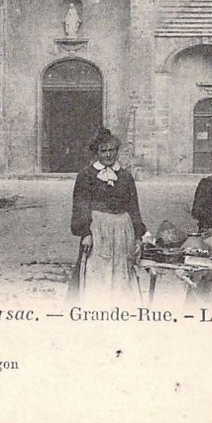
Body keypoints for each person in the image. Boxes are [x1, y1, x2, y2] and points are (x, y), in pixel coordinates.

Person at [70, 127, 146, 299]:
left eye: (111, 150)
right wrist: (85, 233)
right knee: (97, 271)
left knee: (121, 271)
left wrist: (138, 236)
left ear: (117, 151)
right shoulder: (86, 176)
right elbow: (80, 205)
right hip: (98, 230)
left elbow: (133, 207)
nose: (108, 155)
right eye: (103, 151)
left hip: (122, 231)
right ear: (96, 152)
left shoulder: (126, 177)